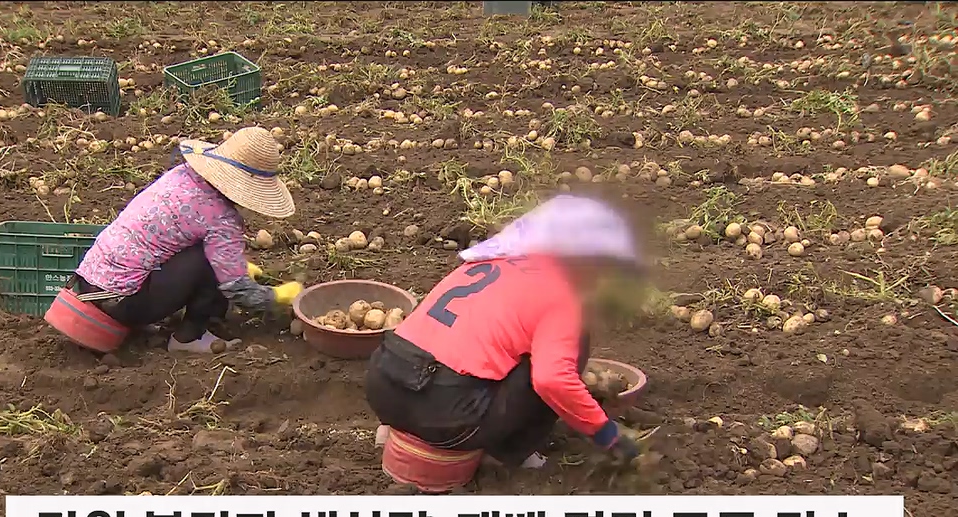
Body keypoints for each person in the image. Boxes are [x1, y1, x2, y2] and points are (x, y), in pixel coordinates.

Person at [366, 191, 645, 491]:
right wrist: (607, 435)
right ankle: (510, 452)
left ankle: (395, 425)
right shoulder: (564, 294)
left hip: (383, 383)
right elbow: (553, 380)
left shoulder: (489, 258)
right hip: (448, 416)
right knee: (563, 357)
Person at [49, 126, 303, 354]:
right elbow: (238, 290)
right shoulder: (222, 219)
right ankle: (189, 337)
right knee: (208, 262)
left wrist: (235, 265)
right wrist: (277, 297)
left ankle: (201, 316)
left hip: (88, 286)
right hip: (123, 303)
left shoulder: (181, 175)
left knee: (204, 253)